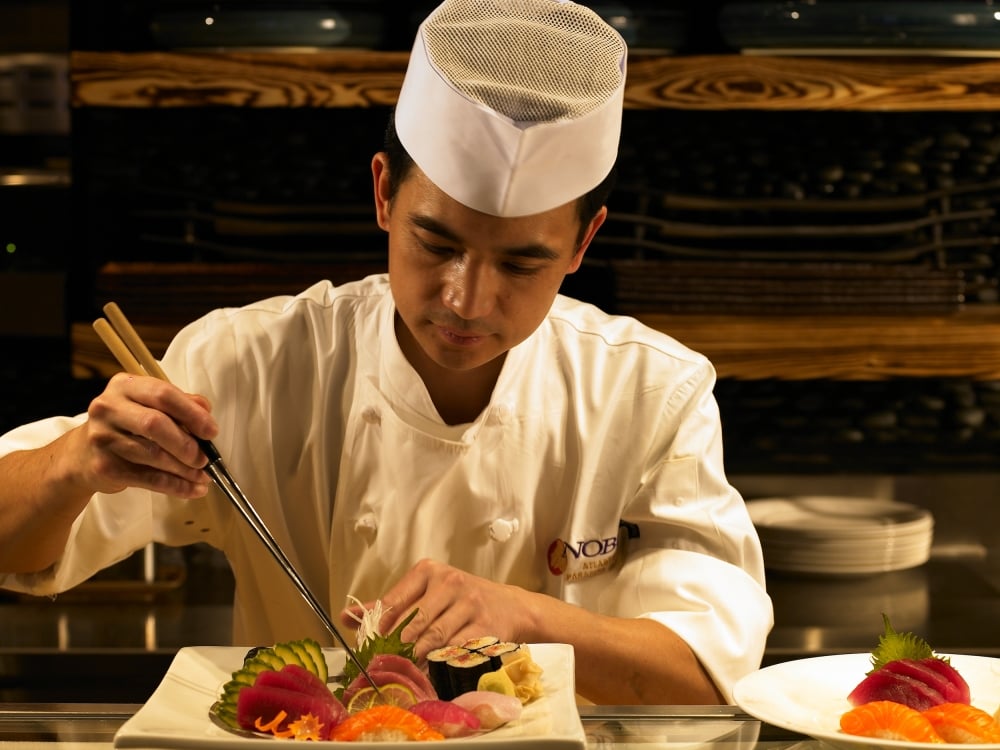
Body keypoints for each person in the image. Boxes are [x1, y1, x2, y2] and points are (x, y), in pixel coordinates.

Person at [0, 0, 772, 705]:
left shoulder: (648, 391)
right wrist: (75, 463)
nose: (468, 300)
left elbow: (711, 673)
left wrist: (521, 615)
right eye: (435, 242)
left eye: (520, 265)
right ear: (382, 195)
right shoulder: (250, 364)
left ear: (584, 242)